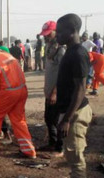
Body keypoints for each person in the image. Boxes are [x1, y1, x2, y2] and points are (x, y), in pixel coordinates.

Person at [53, 13, 93, 178]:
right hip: (69, 110)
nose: (56, 35)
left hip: (76, 112)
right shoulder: (70, 51)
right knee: (70, 153)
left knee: (76, 157)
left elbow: (80, 89)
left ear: (72, 32)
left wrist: (67, 118)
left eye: (60, 32)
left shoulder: (78, 54)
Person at [0, 41, 36, 158]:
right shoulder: (7, 55)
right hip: (21, 89)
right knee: (19, 120)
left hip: (8, 93)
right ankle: (29, 150)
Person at [38, 20, 66, 156]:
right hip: (49, 91)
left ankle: (60, 148)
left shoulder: (61, 49)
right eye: (45, 34)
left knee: (56, 120)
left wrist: (55, 92)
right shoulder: (50, 47)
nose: (46, 36)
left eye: (49, 34)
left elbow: (62, 74)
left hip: (57, 92)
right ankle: (52, 143)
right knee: (48, 118)